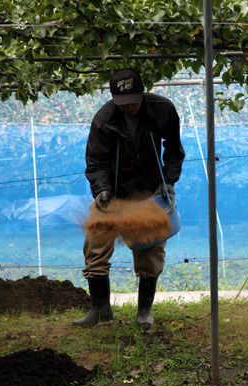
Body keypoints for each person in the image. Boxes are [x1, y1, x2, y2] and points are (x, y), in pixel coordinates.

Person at [73, 69, 185, 328]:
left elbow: (174, 149)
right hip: (112, 193)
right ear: (114, 100)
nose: (130, 107)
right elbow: (96, 160)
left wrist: (167, 182)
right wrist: (101, 190)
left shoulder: (162, 110)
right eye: (123, 103)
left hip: (149, 190)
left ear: (142, 92)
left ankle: (143, 312)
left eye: (134, 100)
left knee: (149, 249)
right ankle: (101, 310)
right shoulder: (103, 119)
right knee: (95, 245)